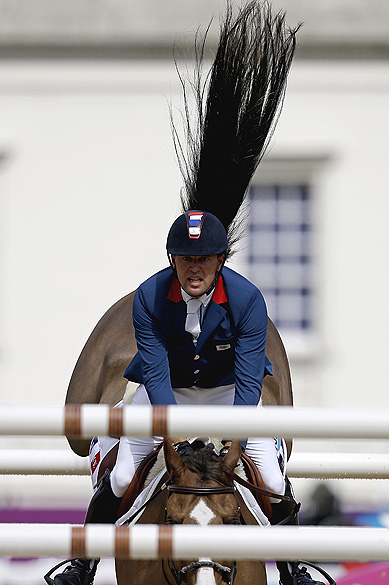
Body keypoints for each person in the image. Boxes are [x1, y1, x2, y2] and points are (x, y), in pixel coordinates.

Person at [47, 3, 333, 584]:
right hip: (163, 399)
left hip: (231, 397)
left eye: (204, 260)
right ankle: (83, 563)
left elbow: (252, 378)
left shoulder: (248, 300)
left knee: (273, 479)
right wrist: (174, 436)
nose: (194, 269)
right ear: (173, 260)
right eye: (185, 259)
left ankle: (295, 565)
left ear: (220, 261)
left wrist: (231, 436)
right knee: (124, 475)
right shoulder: (151, 298)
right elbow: (153, 369)